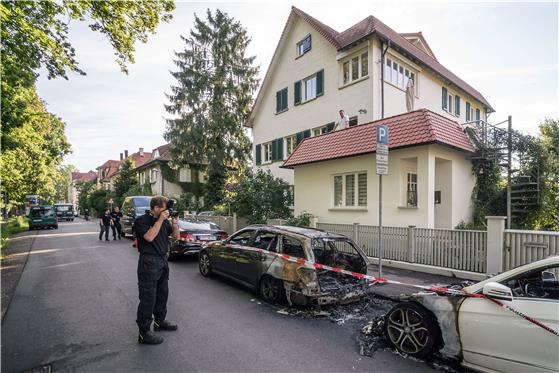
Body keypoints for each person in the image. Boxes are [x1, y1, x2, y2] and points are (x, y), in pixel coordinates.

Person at [134, 196, 180, 345]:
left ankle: (159, 322)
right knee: (148, 298)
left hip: (162, 261)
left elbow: (176, 238)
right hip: (148, 262)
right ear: (155, 208)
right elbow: (149, 237)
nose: (166, 212)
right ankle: (144, 332)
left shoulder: (165, 222)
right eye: (164, 209)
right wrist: (160, 220)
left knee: (162, 294)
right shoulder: (142, 221)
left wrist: (174, 224)